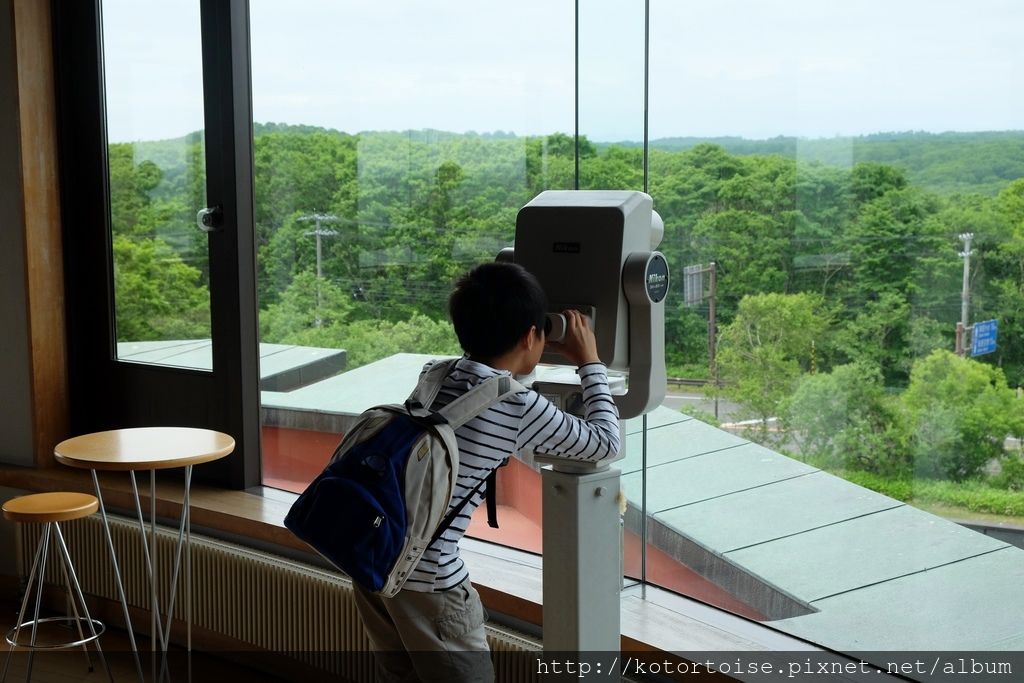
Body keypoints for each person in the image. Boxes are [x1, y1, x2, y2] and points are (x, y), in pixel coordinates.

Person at [351, 261, 621, 682]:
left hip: (375, 564)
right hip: (432, 584)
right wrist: (590, 361)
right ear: (532, 335)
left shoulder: (435, 375)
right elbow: (606, 442)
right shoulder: (517, 406)